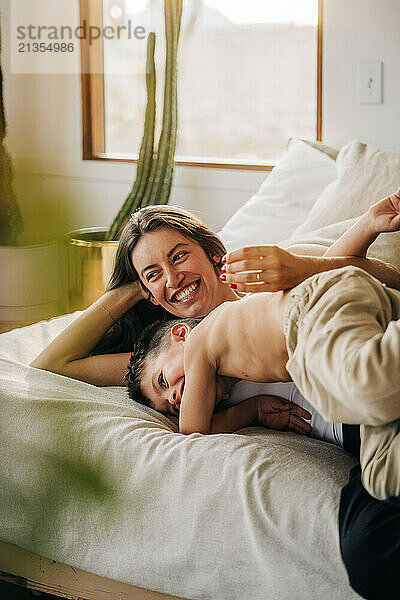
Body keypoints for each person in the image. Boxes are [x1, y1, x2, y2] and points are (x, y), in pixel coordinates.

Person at [30, 194, 400, 600]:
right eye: (153, 274)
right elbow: (53, 364)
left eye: (178, 257)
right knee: (371, 548)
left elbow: (371, 281)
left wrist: (308, 266)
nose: (173, 279)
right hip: (364, 430)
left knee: (367, 381)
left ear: (210, 253)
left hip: (365, 364)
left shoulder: (272, 271)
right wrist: (129, 291)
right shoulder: (167, 363)